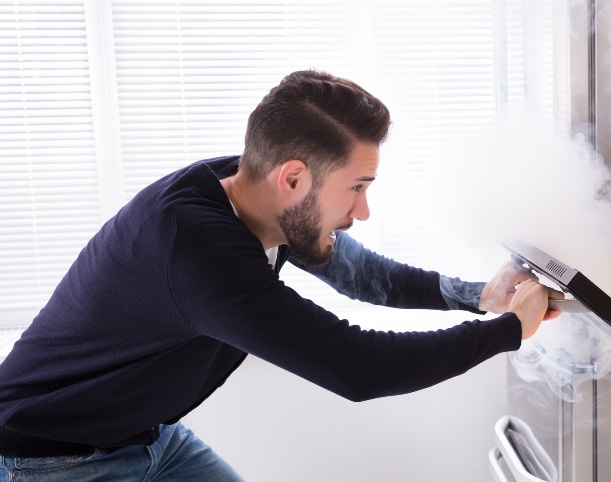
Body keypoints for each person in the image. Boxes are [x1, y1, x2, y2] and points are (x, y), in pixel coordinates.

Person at [0, 70, 562, 481]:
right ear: (293, 178)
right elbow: (356, 366)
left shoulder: (247, 189)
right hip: (48, 459)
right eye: (358, 187)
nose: (361, 212)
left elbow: (362, 274)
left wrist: (477, 298)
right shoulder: (195, 249)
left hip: (149, 440)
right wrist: (507, 332)